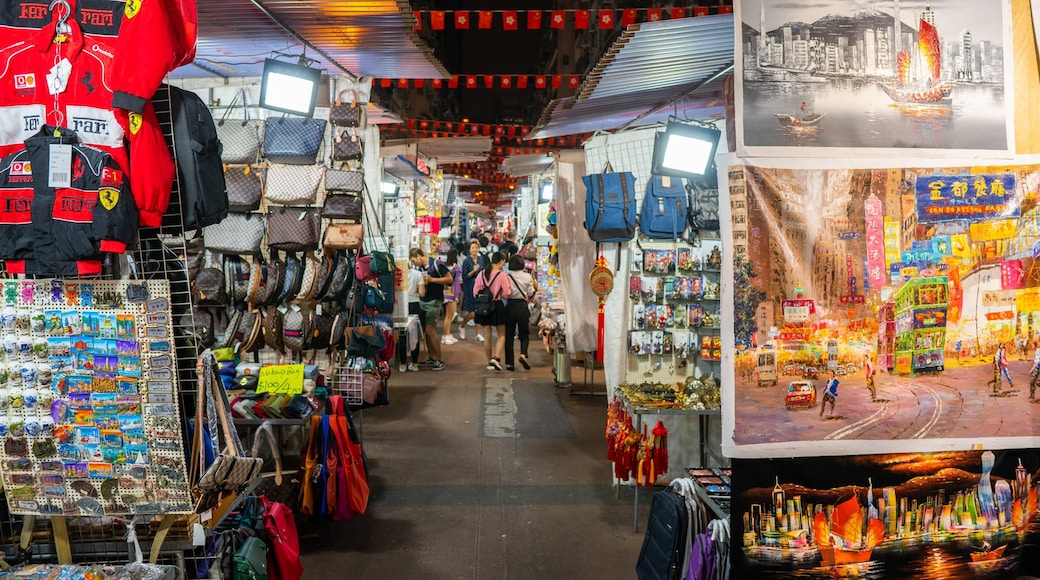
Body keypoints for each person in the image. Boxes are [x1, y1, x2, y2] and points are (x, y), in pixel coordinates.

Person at [411, 248, 449, 371]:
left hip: (434, 301)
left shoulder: (436, 264)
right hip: (422, 302)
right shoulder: (418, 270)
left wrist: (432, 280)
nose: (414, 263)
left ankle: (439, 359)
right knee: (426, 331)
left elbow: (449, 279)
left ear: (418, 256)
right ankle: (432, 357)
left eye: (414, 260)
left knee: (430, 330)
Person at [473, 251, 510, 371]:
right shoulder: (502, 275)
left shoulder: (482, 274)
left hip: (484, 306)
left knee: (487, 335)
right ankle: (497, 358)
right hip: (497, 305)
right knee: (502, 334)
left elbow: (475, 292)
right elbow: (507, 293)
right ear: (501, 261)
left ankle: (489, 361)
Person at [504, 254, 537, 371]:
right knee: (524, 333)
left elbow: (505, 292)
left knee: (509, 334)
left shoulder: (507, 277)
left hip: (510, 306)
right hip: (522, 306)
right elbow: (530, 293)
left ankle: (509, 363)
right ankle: (523, 355)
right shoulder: (527, 277)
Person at [397, 260, 424, 372]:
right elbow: (422, 293)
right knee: (414, 334)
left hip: (400, 305)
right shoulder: (417, 274)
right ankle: (415, 363)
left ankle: (403, 364)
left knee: (402, 335)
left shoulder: (396, 275)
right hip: (414, 305)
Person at [459, 240, 482, 340]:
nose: (474, 250)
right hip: (470, 286)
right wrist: (474, 270)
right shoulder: (466, 261)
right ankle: (462, 326)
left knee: (479, 311)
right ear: (469, 250)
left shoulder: (481, 259)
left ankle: (478, 333)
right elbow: (465, 276)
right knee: (472, 312)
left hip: (480, 286)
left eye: (476, 248)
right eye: (472, 248)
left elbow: (483, 272)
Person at [440, 249, 461, 345]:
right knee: (449, 316)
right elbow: (450, 279)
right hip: (450, 293)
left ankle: (448, 334)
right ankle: (445, 335)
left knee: (451, 315)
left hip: (454, 292)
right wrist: (453, 269)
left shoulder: (452, 266)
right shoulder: (449, 267)